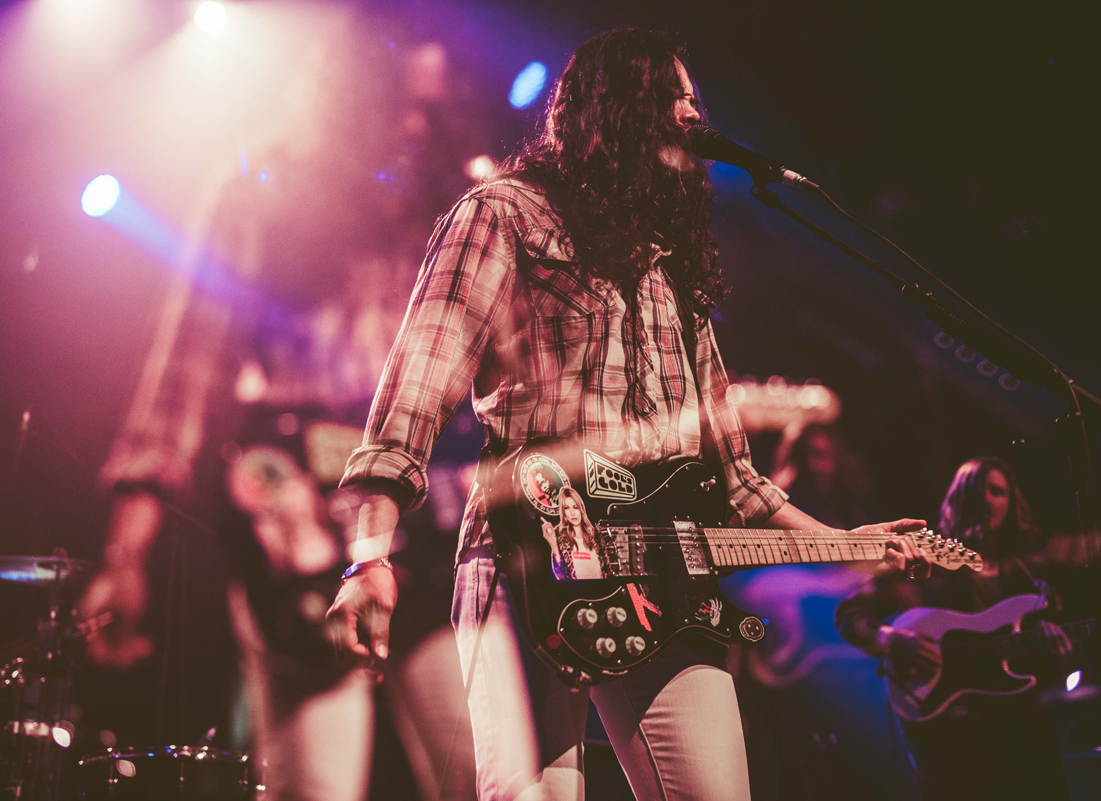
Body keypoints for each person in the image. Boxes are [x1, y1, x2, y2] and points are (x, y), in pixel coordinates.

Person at [330, 28, 930, 801]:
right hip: (526, 561)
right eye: (671, 92)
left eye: (692, 96)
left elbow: (735, 479)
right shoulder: (505, 213)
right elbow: (415, 386)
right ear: (616, 109)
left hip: (663, 583)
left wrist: (847, 543)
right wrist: (369, 555)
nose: (691, 107)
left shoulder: (671, 263)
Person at [76, 29, 479, 801]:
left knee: (498, 785)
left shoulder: (452, 206)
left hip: (437, 542)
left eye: (432, 112)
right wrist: (126, 558)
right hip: (299, 545)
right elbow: (177, 384)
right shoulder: (258, 192)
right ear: (357, 99)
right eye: (404, 108)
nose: (417, 129)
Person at [836, 456, 1072, 800]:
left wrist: (1058, 651)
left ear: (1011, 503)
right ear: (957, 500)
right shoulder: (928, 561)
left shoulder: (1027, 576)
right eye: (976, 490)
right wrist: (889, 639)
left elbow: (1054, 666)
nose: (986, 499)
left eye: (997, 491)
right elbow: (849, 613)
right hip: (949, 739)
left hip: (1024, 734)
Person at [540, 487, 614, 580]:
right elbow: (560, 575)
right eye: (567, 508)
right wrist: (554, 545)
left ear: (581, 509)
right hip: (578, 593)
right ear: (563, 512)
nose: (572, 513)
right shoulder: (561, 538)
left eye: (575, 507)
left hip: (602, 592)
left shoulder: (596, 536)